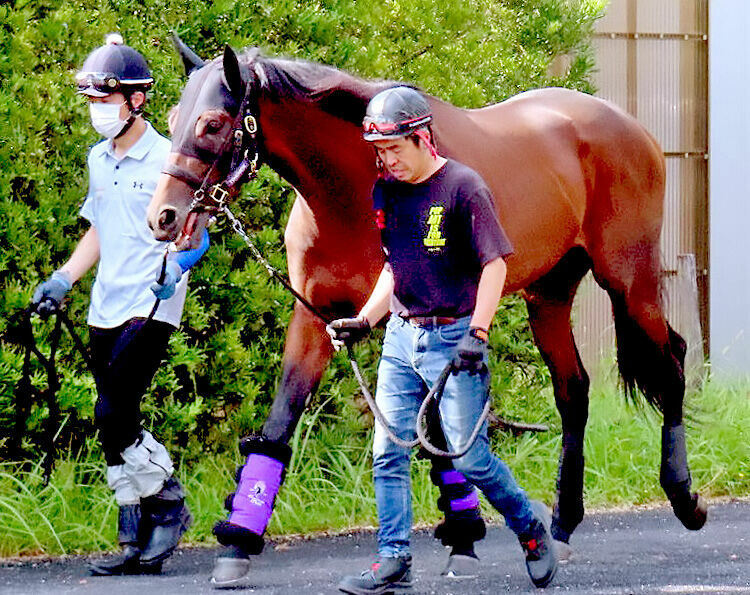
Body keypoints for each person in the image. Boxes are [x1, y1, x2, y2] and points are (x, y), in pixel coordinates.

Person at [328, 86, 558, 592]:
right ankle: (393, 558)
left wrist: (478, 332)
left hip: (456, 340)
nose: (387, 161)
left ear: (423, 137)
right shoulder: (386, 190)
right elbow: (396, 264)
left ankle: (531, 530)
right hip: (402, 339)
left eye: (395, 149)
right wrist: (366, 320)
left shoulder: (463, 186)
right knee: (387, 453)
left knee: (470, 458)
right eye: (380, 152)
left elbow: (494, 264)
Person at [30, 34, 209, 576]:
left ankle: (169, 503)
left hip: (151, 301)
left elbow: (198, 237)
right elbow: (99, 232)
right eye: (91, 102)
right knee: (109, 424)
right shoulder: (98, 157)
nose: (97, 112)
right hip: (104, 303)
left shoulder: (168, 158)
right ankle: (134, 536)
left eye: (105, 101)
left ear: (137, 101)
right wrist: (61, 278)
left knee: (114, 411)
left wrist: (176, 267)